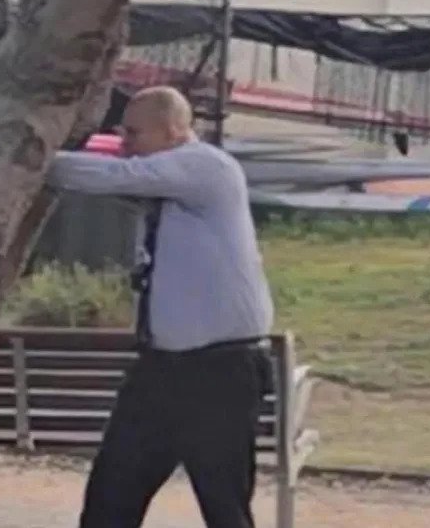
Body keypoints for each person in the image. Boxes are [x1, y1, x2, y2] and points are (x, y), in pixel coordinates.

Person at [46, 86, 275, 528]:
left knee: (224, 508)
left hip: (219, 371)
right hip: (160, 370)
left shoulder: (205, 167)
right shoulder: (166, 185)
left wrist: (31, 162)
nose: (125, 143)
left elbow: (117, 177)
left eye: (134, 133)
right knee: (110, 501)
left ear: (173, 130)